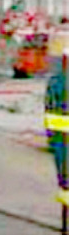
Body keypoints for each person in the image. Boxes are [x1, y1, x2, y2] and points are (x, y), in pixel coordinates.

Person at [44, 25, 69, 210]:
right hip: (61, 139)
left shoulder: (56, 81)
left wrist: (52, 138)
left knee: (65, 182)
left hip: (61, 141)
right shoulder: (57, 81)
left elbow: (50, 109)